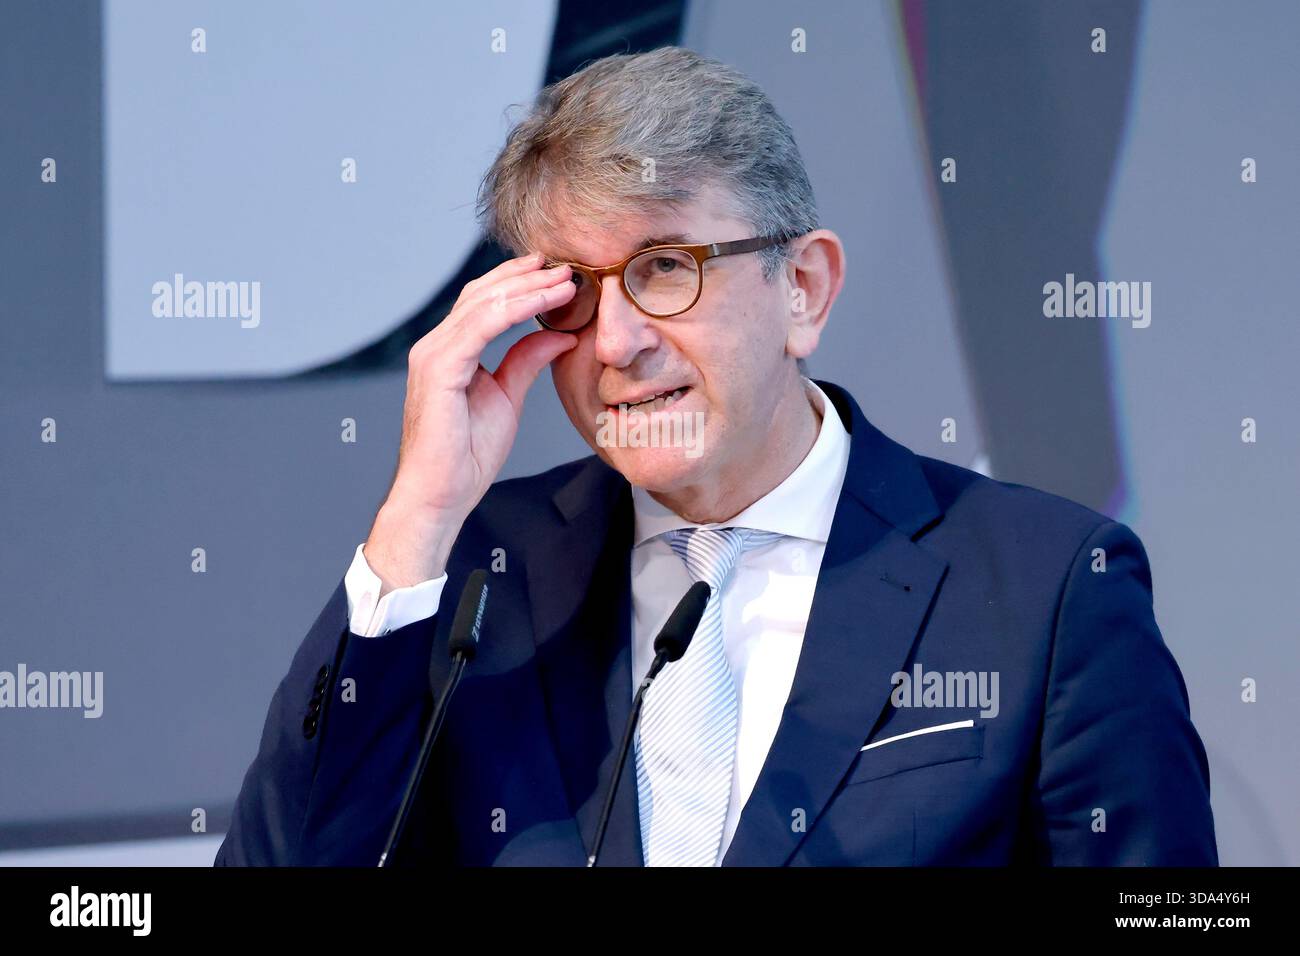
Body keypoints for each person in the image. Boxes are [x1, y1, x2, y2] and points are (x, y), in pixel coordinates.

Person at [216, 46, 1216, 866]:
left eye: (662, 267)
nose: (615, 342)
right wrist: (415, 522)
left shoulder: (1045, 587)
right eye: (570, 287)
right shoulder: (475, 575)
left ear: (804, 289)